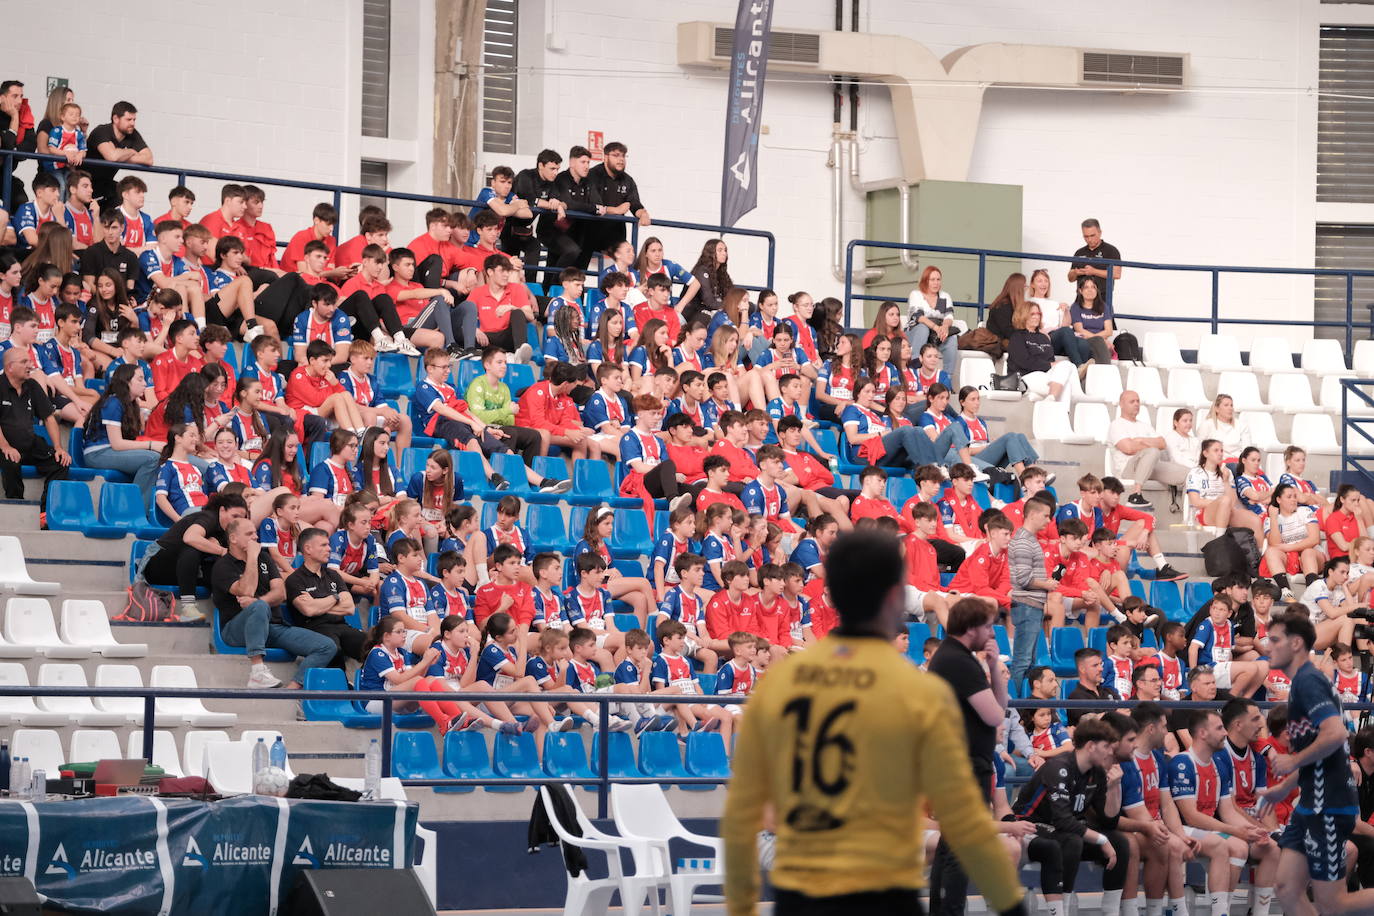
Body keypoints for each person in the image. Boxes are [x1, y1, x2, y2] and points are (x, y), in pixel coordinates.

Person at [721, 530, 1025, 916]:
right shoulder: (916, 689)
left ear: (833, 595)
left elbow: (743, 807)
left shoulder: (780, 682)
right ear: (895, 595)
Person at [926, 597, 1015, 915]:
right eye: (988, 627)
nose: (992, 633)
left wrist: (992, 665)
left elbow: (1000, 708)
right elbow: (994, 716)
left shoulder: (958, 657)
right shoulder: (957, 661)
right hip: (962, 766)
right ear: (972, 628)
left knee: (951, 847)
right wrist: (988, 667)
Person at [1011, 718, 1132, 914]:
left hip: (1064, 829)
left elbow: (1108, 820)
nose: (1110, 752)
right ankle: (1061, 910)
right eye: (1106, 747)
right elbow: (1062, 820)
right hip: (1031, 824)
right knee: (1072, 841)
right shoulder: (1060, 767)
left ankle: (1111, 911)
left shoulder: (1097, 772)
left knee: (1119, 841)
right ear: (1091, 746)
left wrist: (1114, 786)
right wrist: (1100, 840)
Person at [212, 517, 336, 689]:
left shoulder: (265, 558)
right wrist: (252, 557)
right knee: (259, 607)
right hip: (236, 628)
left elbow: (280, 593)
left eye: (255, 533)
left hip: (273, 627)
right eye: (249, 534)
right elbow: (246, 590)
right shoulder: (223, 566)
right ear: (233, 538)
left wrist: (259, 601)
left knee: (326, 646)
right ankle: (257, 671)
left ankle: (292, 689)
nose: (255, 537)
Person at [141, 491, 249, 620]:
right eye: (234, 516)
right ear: (222, 510)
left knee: (218, 571)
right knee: (192, 549)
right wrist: (221, 551)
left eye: (241, 518)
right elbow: (190, 538)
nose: (236, 522)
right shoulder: (209, 517)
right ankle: (188, 607)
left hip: (183, 572)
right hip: (158, 566)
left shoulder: (225, 531)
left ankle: (232, 616)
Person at [0, 346, 70, 514]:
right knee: (10, 462)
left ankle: (45, 512)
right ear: (10, 367)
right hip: (4, 444)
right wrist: (5, 446)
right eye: (24, 362)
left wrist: (58, 448)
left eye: (30, 361)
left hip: (30, 443)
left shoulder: (32, 385)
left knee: (60, 463)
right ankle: (16, 510)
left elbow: (49, 418)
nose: (30, 365)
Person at [285, 527, 365, 670]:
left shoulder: (334, 575)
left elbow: (350, 608)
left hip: (341, 626)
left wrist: (318, 604)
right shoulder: (294, 580)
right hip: (314, 629)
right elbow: (309, 610)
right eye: (323, 545)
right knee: (333, 648)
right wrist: (335, 597)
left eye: (328, 545)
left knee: (373, 646)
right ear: (308, 549)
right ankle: (340, 688)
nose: (329, 549)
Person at [1007, 498, 1064, 684]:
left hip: (1031, 606)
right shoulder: (1024, 541)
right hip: (1027, 605)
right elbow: (1023, 579)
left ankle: (1023, 707)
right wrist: (1046, 585)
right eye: (1046, 516)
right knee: (1022, 661)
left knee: (1028, 662)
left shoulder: (1028, 539)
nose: (1049, 521)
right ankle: (1015, 709)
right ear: (1032, 514)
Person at [1108, 390, 1186, 509]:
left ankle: (1190, 513)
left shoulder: (1145, 426)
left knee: (1191, 474)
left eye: (1138, 401)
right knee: (1153, 451)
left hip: (1150, 466)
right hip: (1127, 469)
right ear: (1121, 404)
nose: (1136, 404)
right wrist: (1151, 445)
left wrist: (1140, 440)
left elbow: (1162, 443)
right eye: (1132, 401)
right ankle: (1136, 494)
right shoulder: (1116, 425)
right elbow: (1128, 448)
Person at [84, 101, 154, 210]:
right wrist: (131, 151)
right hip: (84, 180)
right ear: (116, 119)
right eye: (128, 120)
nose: (132, 123)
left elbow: (148, 159)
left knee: (124, 196)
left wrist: (120, 154)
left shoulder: (132, 133)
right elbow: (112, 157)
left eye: (134, 120)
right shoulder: (102, 131)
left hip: (105, 183)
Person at [1007, 300, 1074, 404]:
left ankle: (1051, 399)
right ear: (1023, 315)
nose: (1036, 316)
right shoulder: (1017, 337)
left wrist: (1051, 365)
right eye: (1032, 314)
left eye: (1038, 314)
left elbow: (1050, 359)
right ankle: (1058, 410)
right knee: (1066, 386)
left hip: (1046, 375)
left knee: (1066, 365)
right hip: (1026, 376)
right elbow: (1024, 361)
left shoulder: (1044, 337)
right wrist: (1049, 365)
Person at [905, 265, 960, 376]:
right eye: (932, 280)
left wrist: (944, 328)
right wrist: (936, 327)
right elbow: (918, 316)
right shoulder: (916, 294)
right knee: (923, 328)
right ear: (926, 281)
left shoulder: (945, 296)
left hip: (936, 334)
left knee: (952, 338)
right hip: (916, 330)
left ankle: (946, 378)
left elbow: (949, 316)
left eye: (938, 279)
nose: (936, 283)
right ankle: (914, 371)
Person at [1067, 218, 1122, 303]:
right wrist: (1075, 272)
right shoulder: (1079, 252)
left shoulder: (1111, 250)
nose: (1089, 239)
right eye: (1086, 236)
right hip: (1081, 299)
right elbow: (1070, 278)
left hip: (1102, 298)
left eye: (1092, 235)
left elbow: (1117, 274)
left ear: (1100, 233)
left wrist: (1094, 271)